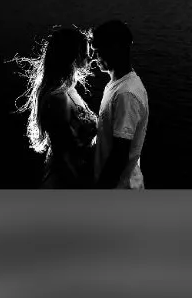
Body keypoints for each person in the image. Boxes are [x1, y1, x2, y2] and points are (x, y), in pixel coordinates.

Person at [13, 26, 97, 188]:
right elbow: (63, 154)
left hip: (78, 174)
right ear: (72, 55)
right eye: (86, 52)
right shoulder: (57, 98)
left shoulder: (69, 90)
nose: (90, 57)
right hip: (67, 181)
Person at [90, 20, 149, 189]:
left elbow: (119, 155)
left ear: (114, 48)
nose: (95, 58)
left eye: (98, 51)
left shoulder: (126, 94)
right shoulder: (116, 85)